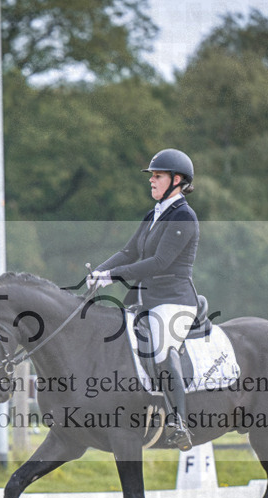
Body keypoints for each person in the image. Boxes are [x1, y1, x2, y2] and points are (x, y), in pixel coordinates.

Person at [87, 148, 199, 451]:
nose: (152, 181)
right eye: (152, 176)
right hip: (145, 298)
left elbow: (160, 262)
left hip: (174, 299)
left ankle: (179, 422)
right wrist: (100, 271)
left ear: (177, 180)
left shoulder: (184, 216)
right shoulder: (154, 214)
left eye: (158, 176)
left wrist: (115, 276)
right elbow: (129, 252)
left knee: (163, 346)